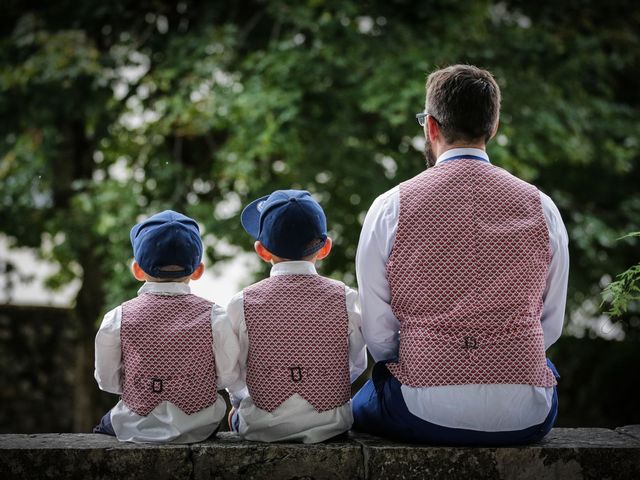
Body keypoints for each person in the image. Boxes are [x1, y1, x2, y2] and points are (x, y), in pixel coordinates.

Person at [353, 64, 569, 445]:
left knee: (355, 408)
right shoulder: (542, 206)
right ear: (494, 127)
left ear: (431, 127)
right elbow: (549, 325)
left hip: (422, 405)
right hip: (526, 412)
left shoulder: (391, 206)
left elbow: (379, 334)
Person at [226, 189, 367, 443]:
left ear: (262, 250)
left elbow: (233, 372)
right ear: (325, 248)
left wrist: (239, 402)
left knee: (236, 413)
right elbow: (357, 363)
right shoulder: (345, 298)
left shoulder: (242, 302)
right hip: (331, 423)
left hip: (262, 424)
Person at [93, 210, 240, 443]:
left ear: (137, 270)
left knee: (102, 429)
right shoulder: (214, 316)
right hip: (199, 425)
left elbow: (106, 381)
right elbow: (229, 375)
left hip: (135, 423)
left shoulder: (118, 317)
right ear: (198, 270)